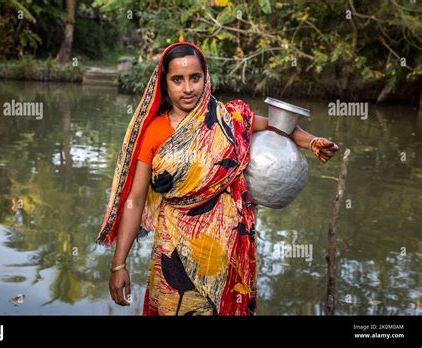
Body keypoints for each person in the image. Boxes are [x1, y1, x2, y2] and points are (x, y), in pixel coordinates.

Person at [96, 42, 338, 316]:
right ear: (165, 84)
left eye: (195, 78)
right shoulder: (154, 131)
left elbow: (278, 127)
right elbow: (135, 200)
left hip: (228, 255)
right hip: (175, 258)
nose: (188, 88)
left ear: (205, 77)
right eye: (178, 80)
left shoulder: (226, 119)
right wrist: (119, 264)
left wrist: (313, 142)